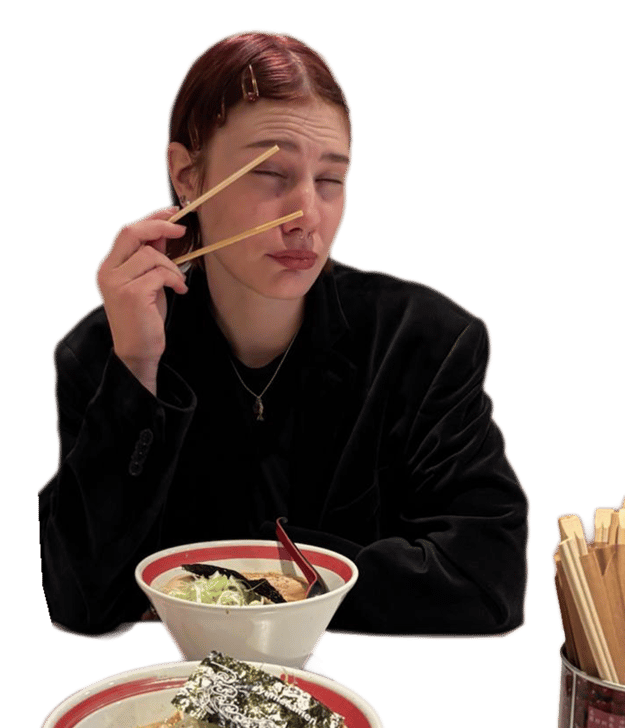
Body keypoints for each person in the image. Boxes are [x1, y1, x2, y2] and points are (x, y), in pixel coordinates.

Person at [38, 29, 529, 640]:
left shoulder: (423, 341)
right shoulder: (103, 352)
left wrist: (247, 582)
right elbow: (84, 603)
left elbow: (489, 586)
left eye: (330, 180)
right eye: (270, 172)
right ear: (187, 175)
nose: (307, 215)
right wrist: (137, 372)